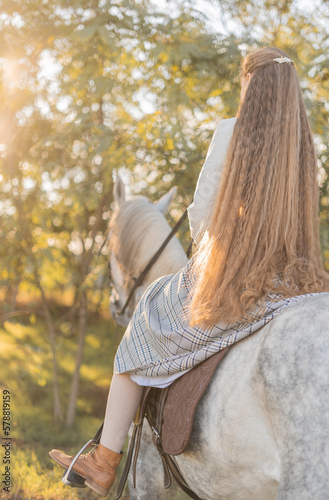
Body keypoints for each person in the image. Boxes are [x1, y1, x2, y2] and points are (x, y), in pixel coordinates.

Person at [49, 46, 329, 496]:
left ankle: (103, 461)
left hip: (236, 281)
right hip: (295, 283)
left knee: (143, 324)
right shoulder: (303, 147)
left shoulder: (230, 132)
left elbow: (202, 218)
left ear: (248, 85)